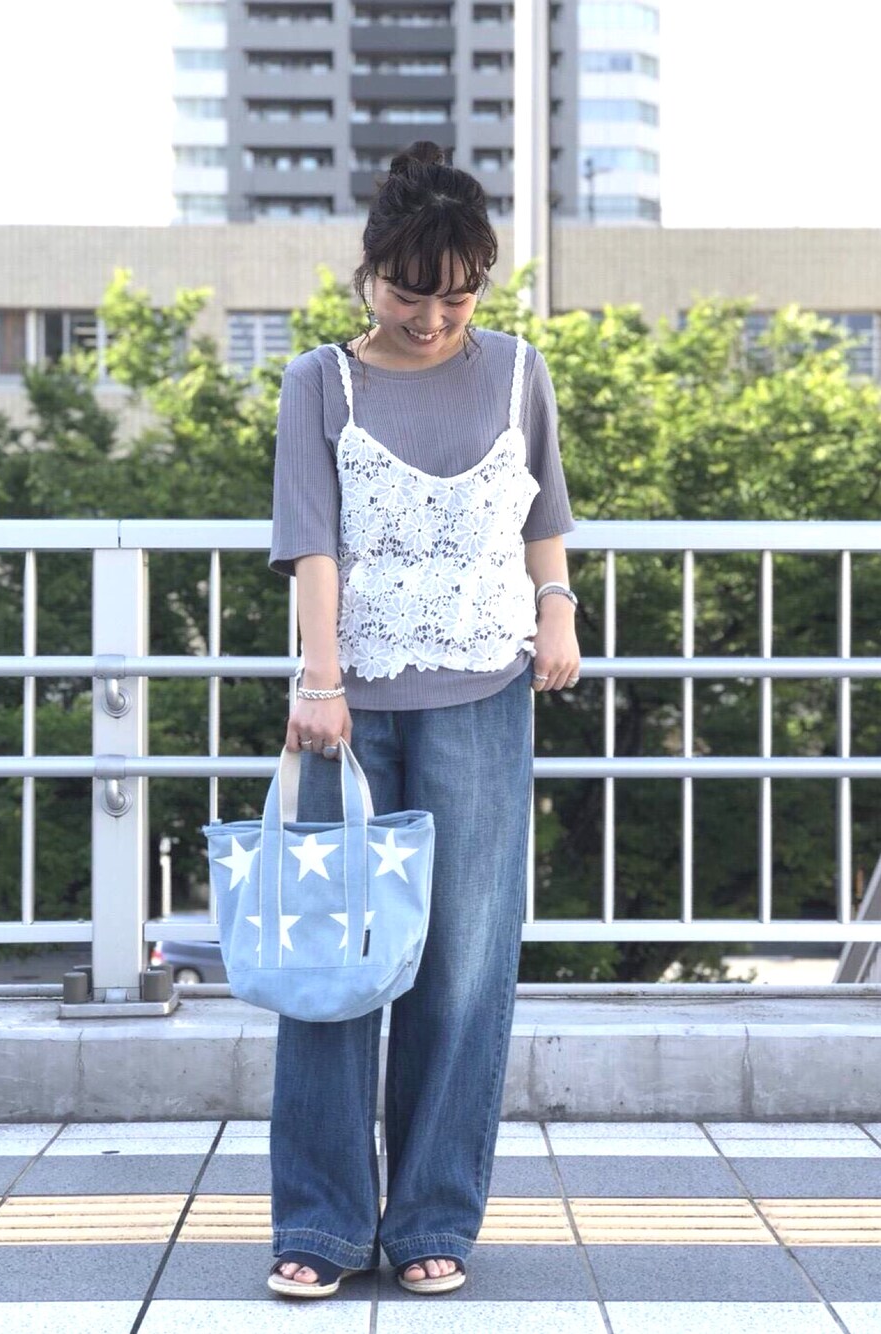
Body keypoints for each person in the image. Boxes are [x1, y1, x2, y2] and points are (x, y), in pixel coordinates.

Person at [267, 139, 579, 1299]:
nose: (434, 318)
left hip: (485, 695)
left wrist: (557, 607)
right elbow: (311, 540)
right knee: (334, 964)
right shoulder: (320, 382)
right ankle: (321, 1221)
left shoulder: (518, 371)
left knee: (463, 968)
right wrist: (320, 680)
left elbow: (542, 510)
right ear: (370, 272)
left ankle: (432, 1216)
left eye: (459, 295)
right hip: (347, 710)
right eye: (411, 292)